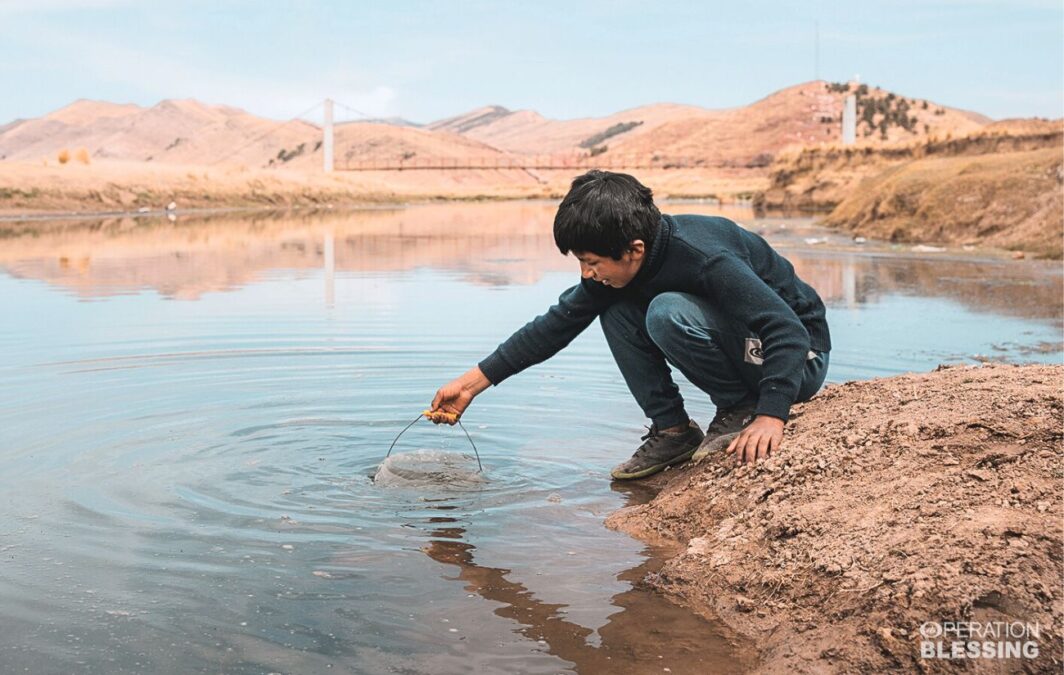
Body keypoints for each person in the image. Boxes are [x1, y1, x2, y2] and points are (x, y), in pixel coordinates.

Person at [428, 170, 831, 480]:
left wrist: (771, 415)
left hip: (799, 359)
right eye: (580, 263)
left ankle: (739, 407)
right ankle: (672, 431)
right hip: (751, 346)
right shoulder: (618, 269)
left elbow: (789, 330)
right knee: (616, 310)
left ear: (634, 249)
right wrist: (469, 386)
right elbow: (553, 327)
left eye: (592, 262)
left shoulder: (705, 256)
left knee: (666, 312)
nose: (587, 274)